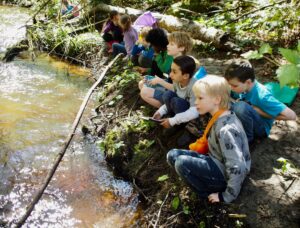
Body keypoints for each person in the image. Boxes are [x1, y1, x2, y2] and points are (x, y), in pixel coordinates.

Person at [167, 75, 251, 203]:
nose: (195, 102)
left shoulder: (225, 130)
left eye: (200, 98)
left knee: (181, 163)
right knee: (172, 155)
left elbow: (237, 166)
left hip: (225, 175)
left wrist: (226, 196)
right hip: (217, 161)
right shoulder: (220, 116)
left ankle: (206, 196)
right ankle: (203, 182)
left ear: (217, 99)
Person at [224, 59, 297, 143]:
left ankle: (247, 139)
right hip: (247, 119)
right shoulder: (243, 86)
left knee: (240, 107)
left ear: (248, 82)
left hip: (260, 129)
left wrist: (259, 111)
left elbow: (292, 116)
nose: (231, 87)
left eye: (234, 86)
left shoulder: (263, 96)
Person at [140, 31, 194, 108]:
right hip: (170, 88)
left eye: (171, 44)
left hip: (175, 96)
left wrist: (160, 81)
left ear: (181, 48)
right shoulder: (175, 60)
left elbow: (177, 89)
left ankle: (167, 109)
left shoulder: (182, 65)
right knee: (142, 83)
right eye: (168, 43)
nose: (167, 46)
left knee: (144, 91)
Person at [152, 55, 199, 128]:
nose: (170, 75)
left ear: (185, 76)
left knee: (176, 101)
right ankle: (170, 117)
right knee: (167, 94)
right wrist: (160, 112)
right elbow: (170, 100)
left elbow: (195, 112)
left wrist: (173, 121)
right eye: (171, 70)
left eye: (174, 72)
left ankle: (179, 125)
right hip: (179, 110)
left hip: (188, 114)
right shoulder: (177, 81)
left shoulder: (195, 87)